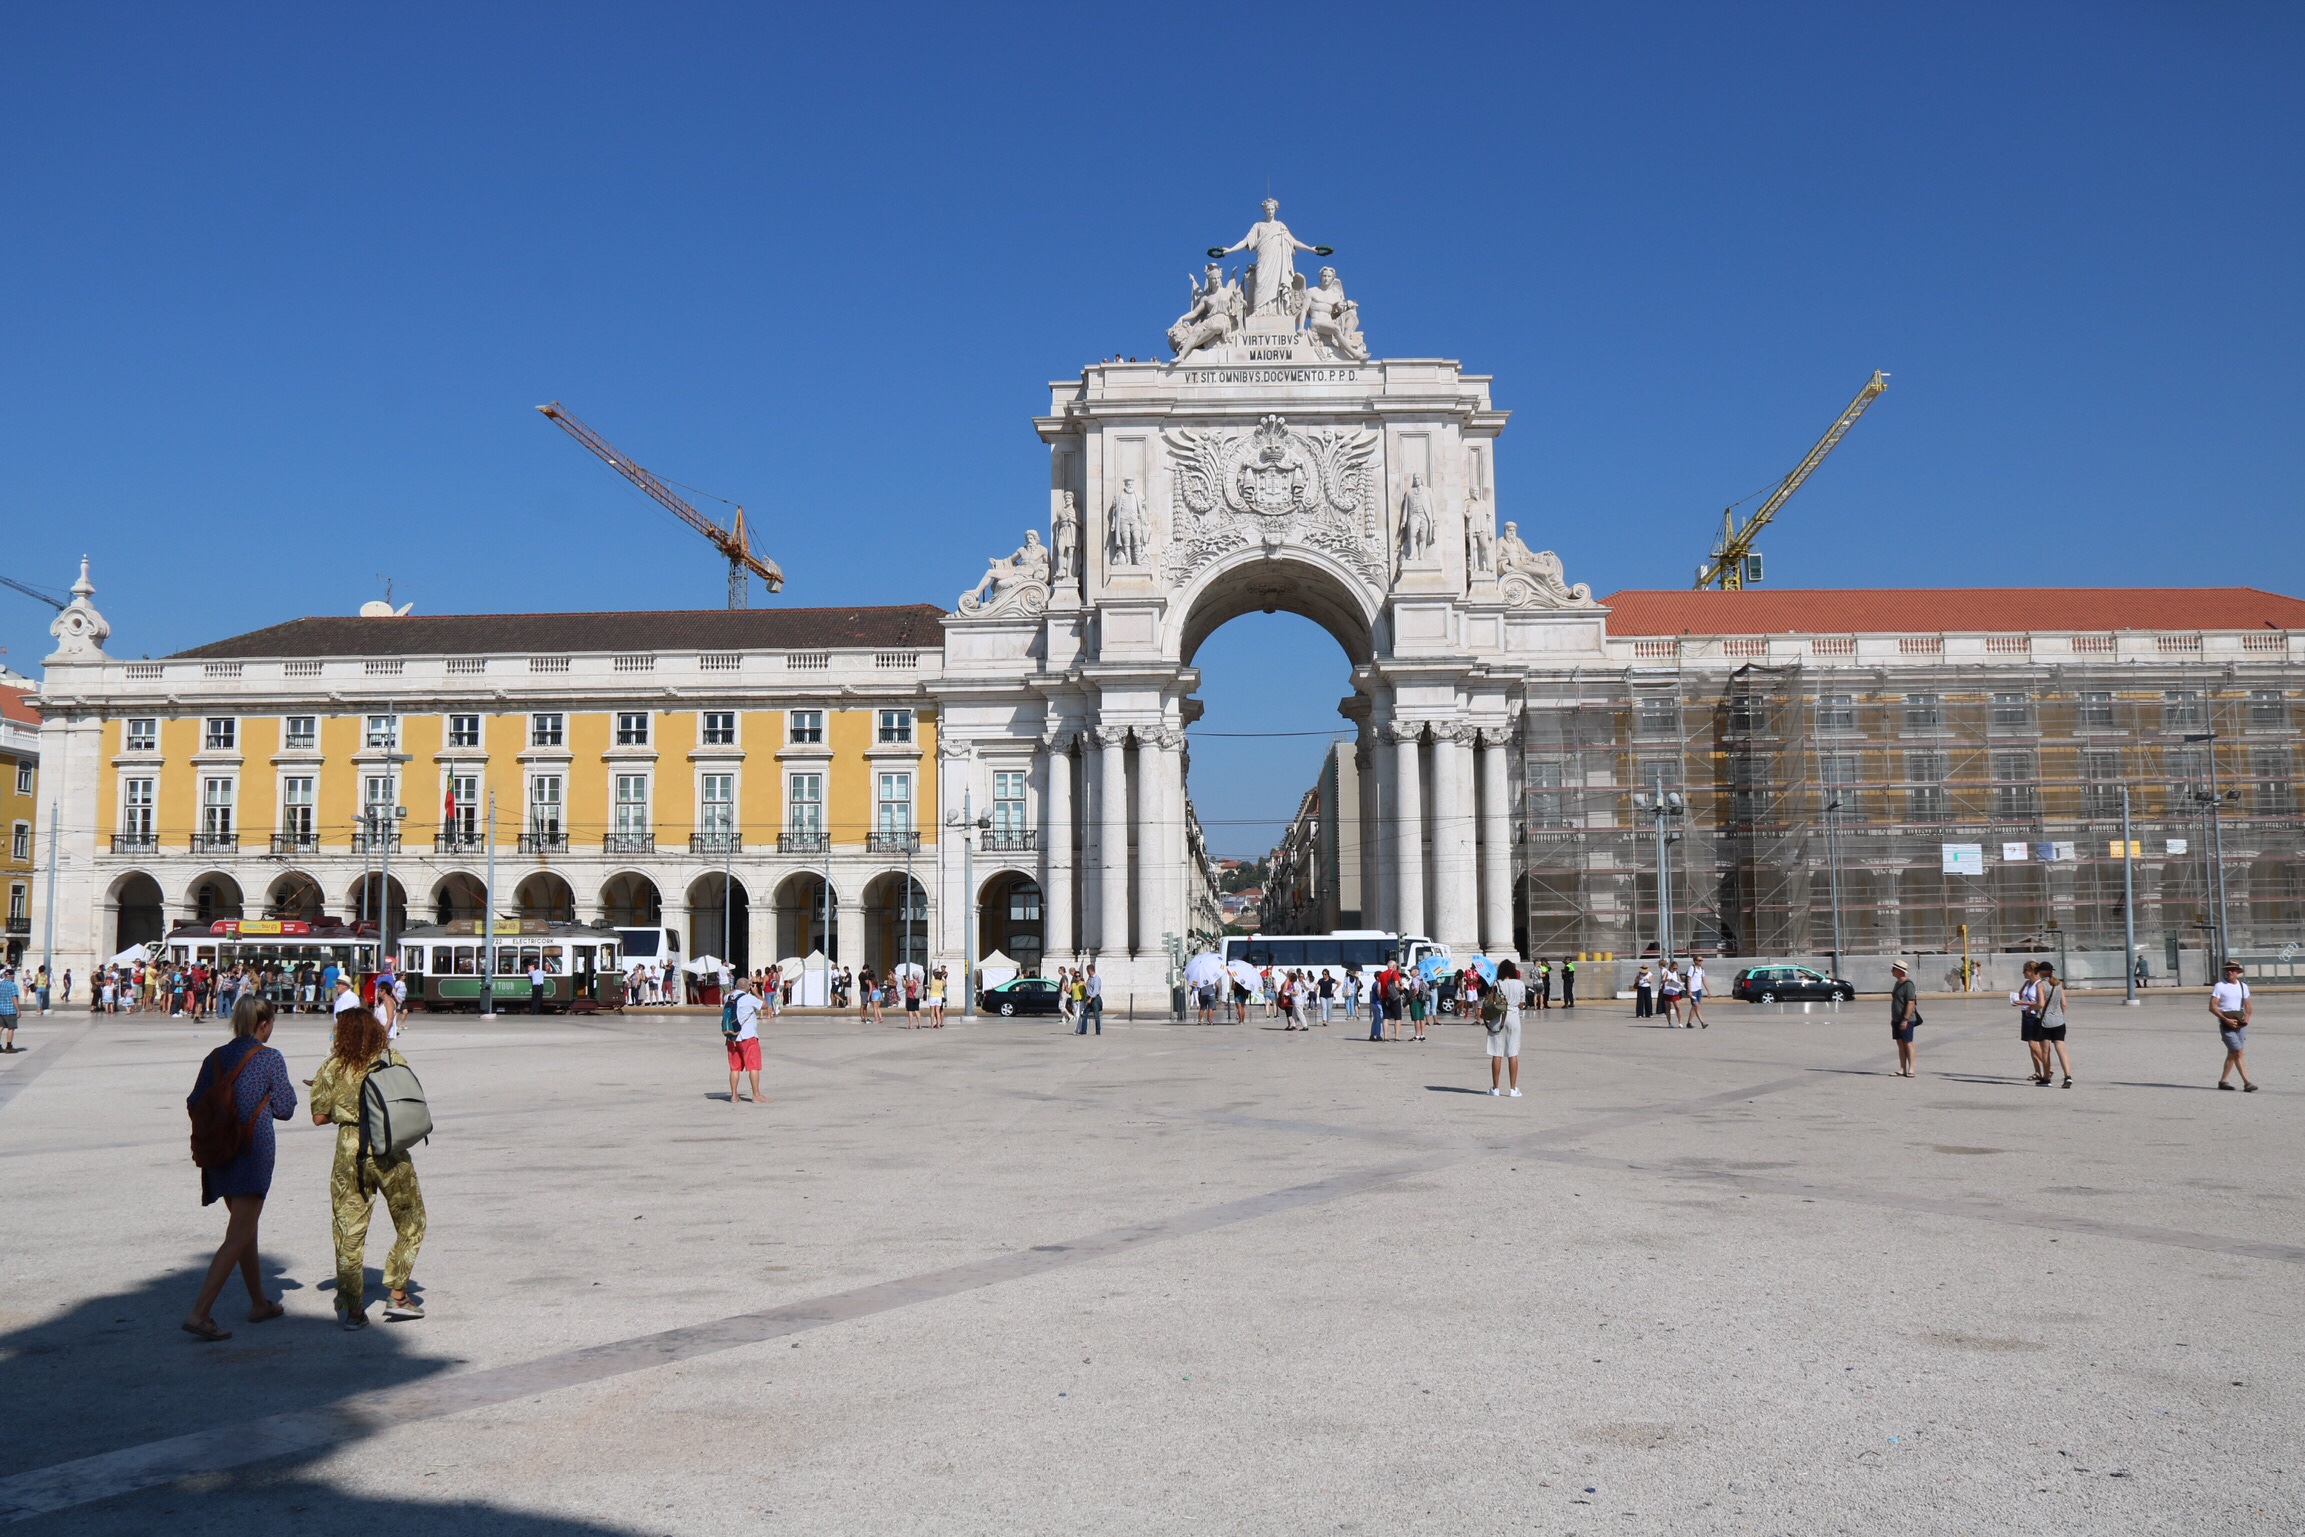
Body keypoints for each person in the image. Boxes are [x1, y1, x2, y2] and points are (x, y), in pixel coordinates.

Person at [181, 996, 296, 1341]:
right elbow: (286, 1107)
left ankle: (259, 1302)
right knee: (237, 1235)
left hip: (220, 1151)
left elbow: (193, 1101)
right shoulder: (269, 1058)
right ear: (263, 1025)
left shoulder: (215, 1056)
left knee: (244, 1228)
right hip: (251, 1152)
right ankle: (200, 1313)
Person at [309, 1007, 427, 1328]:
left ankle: (353, 1311)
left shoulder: (332, 1066)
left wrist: (343, 1108)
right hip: (390, 1148)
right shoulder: (390, 1057)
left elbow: (318, 1117)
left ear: (342, 1034)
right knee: (411, 1221)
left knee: (349, 1232)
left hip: (349, 1154)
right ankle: (398, 1294)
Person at [2212, 961, 2257, 1091]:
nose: (2229, 972)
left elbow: (2247, 1005)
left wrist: (2247, 1018)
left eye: (2232, 969)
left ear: (2237, 972)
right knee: (2237, 1051)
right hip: (2227, 1024)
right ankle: (2247, 1082)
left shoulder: (2243, 986)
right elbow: (2212, 1006)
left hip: (2240, 1024)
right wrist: (2225, 1019)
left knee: (2234, 1053)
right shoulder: (2220, 986)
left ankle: (2223, 1081)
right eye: (2227, 969)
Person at [721, 977, 765, 1102]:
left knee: (734, 1068)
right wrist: (755, 992)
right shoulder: (749, 998)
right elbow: (765, 1005)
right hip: (748, 1037)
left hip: (732, 1037)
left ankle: (734, 1095)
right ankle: (756, 1095)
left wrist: (736, 989)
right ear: (748, 987)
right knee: (753, 1067)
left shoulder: (728, 998)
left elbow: (727, 994)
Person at [1487, 960, 1525, 1097]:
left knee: (1497, 1053)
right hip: (1513, 1017)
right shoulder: (1519, 984)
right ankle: (1513, 1088)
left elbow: (1489, 1000)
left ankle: (1495, 1088)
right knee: (1513, 1053)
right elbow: (1522, 1003)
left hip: (1498, 1018)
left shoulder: (1496, 983)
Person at [2034, 961, 2074, 1088]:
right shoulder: (2058, 984)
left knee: (2045, 1051)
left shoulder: (2040, 985)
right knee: (2061, 1049)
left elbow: (2040, 1004)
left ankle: (2046, 1078)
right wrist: (2059, 1014)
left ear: (2040, 972)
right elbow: (2064, 1004)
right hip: (2059, 1021)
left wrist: (2031, 1009)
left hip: (2045, 1021)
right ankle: (2068, 1076)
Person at [2012, 961, 2047, 1084]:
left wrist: (2025, 1003)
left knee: (2033, 1044)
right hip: (2026, 1015)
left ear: (2031, 971)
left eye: (2025, 971)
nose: (2023, 973)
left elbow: (2040, 1002)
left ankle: (2048, 1067)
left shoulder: (2040, 984)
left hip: (2035, 1015)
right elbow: (2020, 994)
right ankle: (2038, 1072)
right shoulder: (2027, 983)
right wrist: (2015, 999)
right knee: (2031, 1046)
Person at [1888, 960, 1920, 1077]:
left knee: (1908, 1043)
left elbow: (1910, 1002)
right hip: (1896, 1019)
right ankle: (1902, 1068)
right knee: (1900, 1043)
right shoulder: (1897, 984)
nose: (1891, 971)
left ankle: (1911, 1068)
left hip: (1907, 1019)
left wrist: (1905, 1019)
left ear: (1900, 971)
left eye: (1893, 969)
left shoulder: (1908, 985)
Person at [1683, 955, 1708, 1029]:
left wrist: (1708, 990)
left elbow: (1704, 980)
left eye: (1702, 960)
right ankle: (1702, 1022)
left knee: (1694, 1007)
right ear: (1695, 961)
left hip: (1698, 990)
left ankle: (1689, 1023)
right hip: (1693, 991)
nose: (1701, 962)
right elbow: (1689, 979)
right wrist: (1689, 991)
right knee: (1697, 1006)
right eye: (1699, 960)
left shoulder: (1701, 969)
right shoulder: (1692, 968)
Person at [0, 967, 18, 1052]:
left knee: (0, 1027)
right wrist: (18, 1009)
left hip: (1, 1009)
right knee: (11, 1028)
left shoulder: (1, 984)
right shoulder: (12, 985)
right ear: (12, 976)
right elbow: (14, 998)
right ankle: (9, 1046)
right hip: (10, 1009)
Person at [1081, 964, 1102, 1035]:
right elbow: (1088, 988)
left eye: (1087, 971)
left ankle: (1098, 1030)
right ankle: (1083, 1030)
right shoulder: (1089, 978)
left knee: (1096, 1015)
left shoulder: (1096, 978)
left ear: (1090, 971)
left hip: (1095, 998)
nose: (1087, 973)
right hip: (1089, 997)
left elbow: (1096, 990)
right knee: (1085, 1014)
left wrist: (1090, 999)